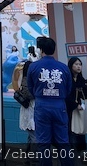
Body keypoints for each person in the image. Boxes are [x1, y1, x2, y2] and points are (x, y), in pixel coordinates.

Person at [27, 37, 73, 166]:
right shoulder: (63, 67)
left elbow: (30, 88)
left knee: (43, 142)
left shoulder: (33, 67)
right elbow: (69, 88)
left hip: (41, 106)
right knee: (63, 141)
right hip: (60, 106)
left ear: (41, 50)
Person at [14, 61, 37, 163]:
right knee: (34, 135)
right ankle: (34, 157)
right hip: (30, 109)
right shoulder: (26, 79)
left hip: (29, 109)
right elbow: (29, 95)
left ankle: (28, 156)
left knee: (31, 134)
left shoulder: (24, 78)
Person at [66, 57, 87, 152]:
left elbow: (86, 96)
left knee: (80, 132)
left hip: (80, 111)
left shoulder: (82, 80)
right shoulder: (68, 80)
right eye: (76, 64)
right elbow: (66, 95)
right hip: (70, 110)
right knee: (71, 132)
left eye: (80, 64)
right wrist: (75, 105)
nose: (78, 66)